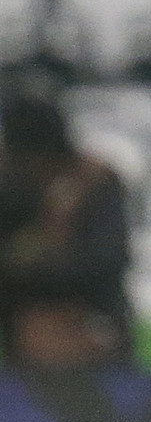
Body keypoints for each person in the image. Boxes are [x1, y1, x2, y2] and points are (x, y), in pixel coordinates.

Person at [0, 90, 133, 369]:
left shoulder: (97, 185)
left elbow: (106, 262)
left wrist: (33, 270)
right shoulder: (12, 191)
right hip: (20, 326)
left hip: (92, 318)